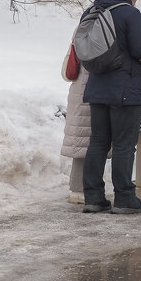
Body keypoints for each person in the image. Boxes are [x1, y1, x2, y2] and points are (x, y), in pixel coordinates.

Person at [81, 0, 141, 215]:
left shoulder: (92, 11)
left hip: (96, 88)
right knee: (124, 145)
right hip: (125, 89)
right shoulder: (129, 12)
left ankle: (93, 198)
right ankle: (124, 198)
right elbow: (139, 49)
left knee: (98, 142)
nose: (137, 1)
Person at [60, 40, 92, 204]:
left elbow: (66, 72)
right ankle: (82, 189)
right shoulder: (101, 26)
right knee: (87, 141)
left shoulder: (81, 28)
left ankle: (77, 189)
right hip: (90, 90)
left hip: (78, 90)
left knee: (81, 142)